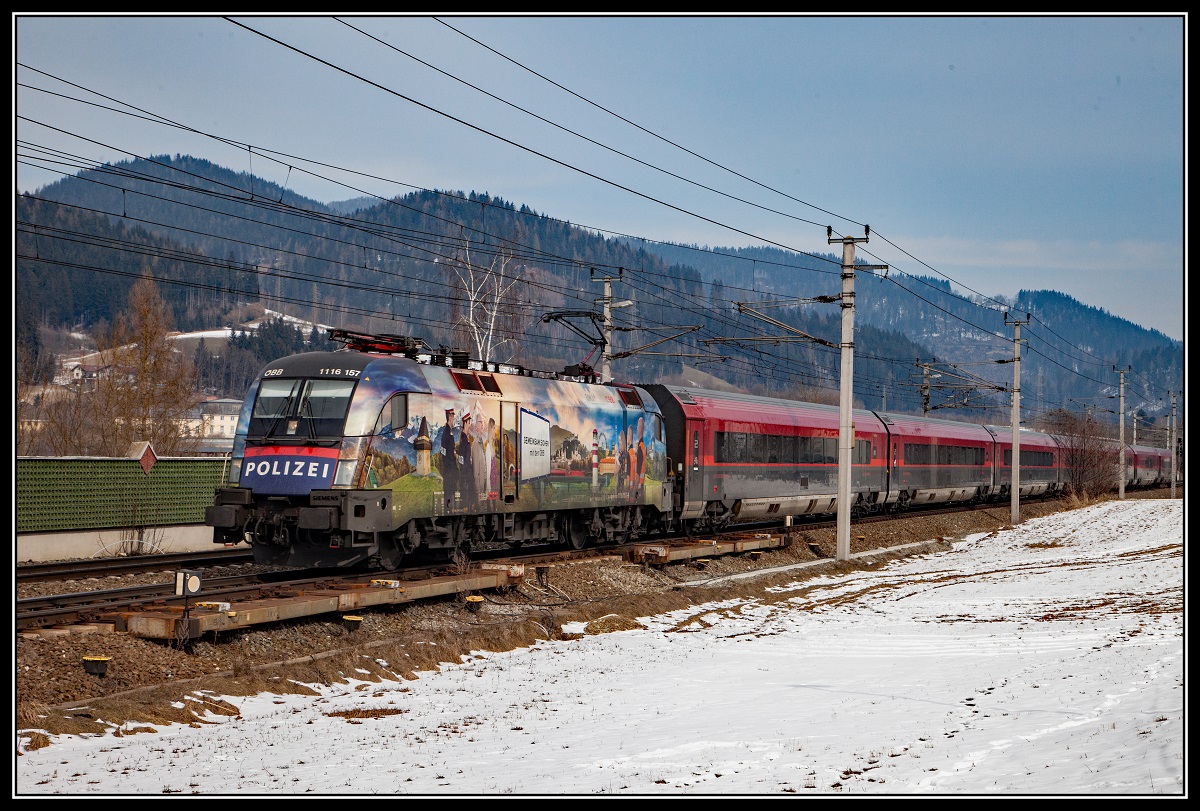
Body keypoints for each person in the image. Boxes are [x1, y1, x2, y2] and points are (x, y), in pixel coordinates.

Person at [439, 408, 458, 508]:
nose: (454, 419)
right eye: (453, 417)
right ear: (450, 417)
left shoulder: (448, 432)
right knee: (450, 499)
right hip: (449, 474)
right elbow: (445, 455)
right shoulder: (446, 433)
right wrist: (451, 470)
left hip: (449, 473)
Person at [457, 413, 477, 508]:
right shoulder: (464, 441)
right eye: (469, 423)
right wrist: (467, 476)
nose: (469, 426)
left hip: (466, 478)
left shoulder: (464, 439)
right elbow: (462, 461)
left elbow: (463, 459)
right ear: (465, 423)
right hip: (467, 480)